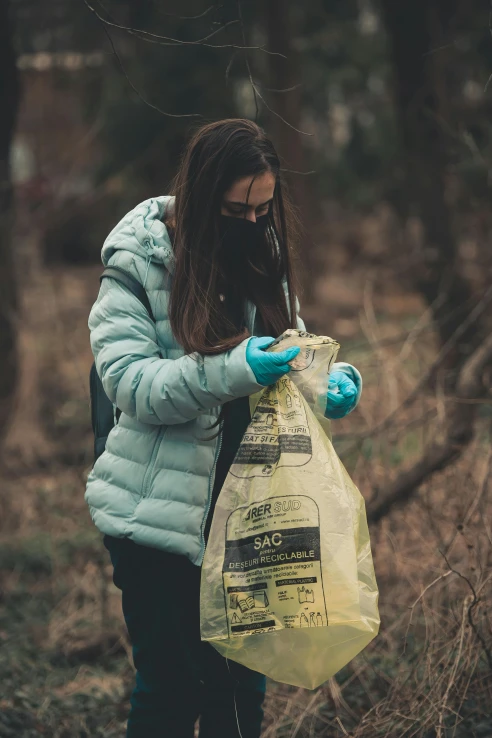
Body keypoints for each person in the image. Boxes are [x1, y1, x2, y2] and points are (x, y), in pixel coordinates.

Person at [85, 118, 362, 738]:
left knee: (239, 696)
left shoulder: (259, 254)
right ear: (203, 194)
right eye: (239, 208)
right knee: (172, 692)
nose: (255, 221)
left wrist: (329, 378)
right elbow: (132, 385)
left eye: (265, 208)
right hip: (159, 523)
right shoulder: (137, 265)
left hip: (250, 517)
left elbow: (285, 349)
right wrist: (236, 367)